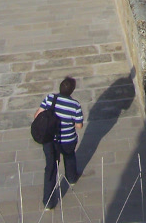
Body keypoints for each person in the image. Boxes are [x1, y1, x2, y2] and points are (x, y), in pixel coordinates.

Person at [34, 76, 83, 210]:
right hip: (67, 140)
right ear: (72, 91)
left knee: (50, 168)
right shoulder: (75, 105)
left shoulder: (50, 98)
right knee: (69, 156)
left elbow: (38, 115)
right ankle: (71, 178)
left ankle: (48, 202)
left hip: (50, 140)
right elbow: (79, 126)